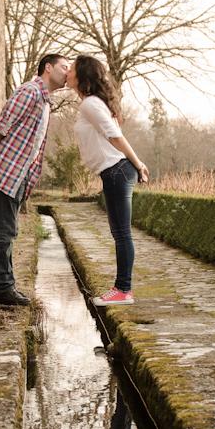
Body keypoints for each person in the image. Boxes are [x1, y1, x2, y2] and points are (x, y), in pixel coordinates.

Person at [0, 54, 70, 306]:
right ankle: (3, 289)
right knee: (5, 230)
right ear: (48, 68)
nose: (68, 72)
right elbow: (2, 124)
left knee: (9, 229)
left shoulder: (45, 100)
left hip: (18, 174)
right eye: (64, 67)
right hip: (6, 170)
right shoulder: (30, 92)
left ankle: (7, 284)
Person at [66, 54, 149, 306]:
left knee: (122, 233)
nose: (67, 72)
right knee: (119, 233)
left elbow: (115, 137)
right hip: (114, 171)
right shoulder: (93, 103)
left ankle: (123, 290)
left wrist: (138, 163)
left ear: (82, 75)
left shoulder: (90, 104)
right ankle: (122, 288)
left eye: (71, 69)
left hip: (118, 170)